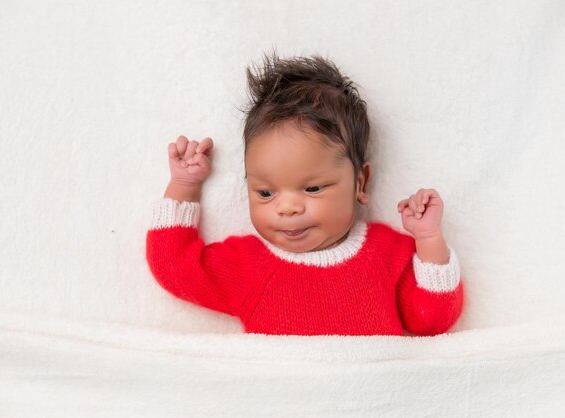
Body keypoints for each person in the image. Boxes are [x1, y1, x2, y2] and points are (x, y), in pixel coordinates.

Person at [146, 52, 464, 336]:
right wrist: (185, 187)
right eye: (266, 192)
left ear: (360, 183)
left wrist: (428, 239)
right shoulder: (248, 266)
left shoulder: (386, 254)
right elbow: (174, 267)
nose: (287, 207)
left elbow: (432, 321)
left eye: (312, 188)